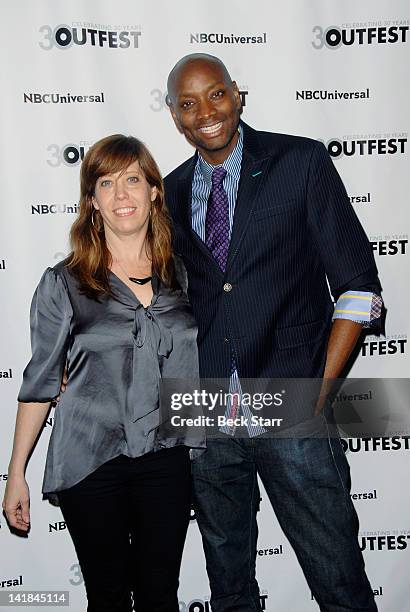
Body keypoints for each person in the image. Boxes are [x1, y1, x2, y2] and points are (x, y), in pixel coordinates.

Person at [164, 54, 382, 612]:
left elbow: (358, 288)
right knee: (229, 588)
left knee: (338, 581)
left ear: (238, 93)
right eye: (188, 104)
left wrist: (318, 394)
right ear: (174, 116)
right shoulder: (169, 192)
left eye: (215, 95)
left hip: (290, 407)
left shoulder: (300, 161)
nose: (205, 112)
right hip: (209, 415)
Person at [2, 134, 204, 612]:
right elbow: (40, 382)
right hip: (91, 460)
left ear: (154, 190)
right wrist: (15, 473)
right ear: (92, 201)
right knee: (108, 598)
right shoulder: (64, 283)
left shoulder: (186, 274)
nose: (121, 195)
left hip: (166, 456)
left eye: (133, 179)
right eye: (106, 183)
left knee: (160, 597)